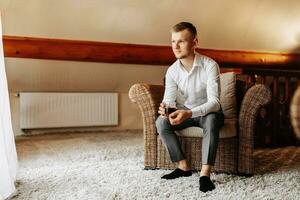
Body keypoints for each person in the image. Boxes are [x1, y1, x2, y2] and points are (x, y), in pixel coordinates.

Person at [155, 22, 224, 192]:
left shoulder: (210, 65)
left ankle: (205, 175)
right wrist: (166, 111)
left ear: (195, 42)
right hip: (185, 112)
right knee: (160, 123)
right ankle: (183, 166)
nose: (176, 46)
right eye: (173, 41)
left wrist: (189, 113)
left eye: (181, 41)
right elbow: (169, 101)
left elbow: (215, 103)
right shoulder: (172, 71)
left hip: (209, 112)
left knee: (211, 119)